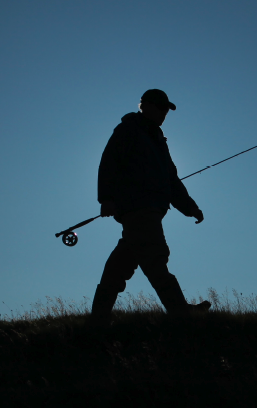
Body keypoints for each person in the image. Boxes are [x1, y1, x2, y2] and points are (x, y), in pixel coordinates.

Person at [90, 89, 211, 320]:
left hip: (151, 210)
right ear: (145, 106)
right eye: (161, 107)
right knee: (155, 258)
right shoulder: (128, 130)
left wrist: (190, 207)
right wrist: (106, 199)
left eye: (167, 109)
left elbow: (171, 179)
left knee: (120, 265)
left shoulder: (158, 139)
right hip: (137, 209)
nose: (165, 113)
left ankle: (98, 318)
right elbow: (108, 163)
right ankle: (182, 313)